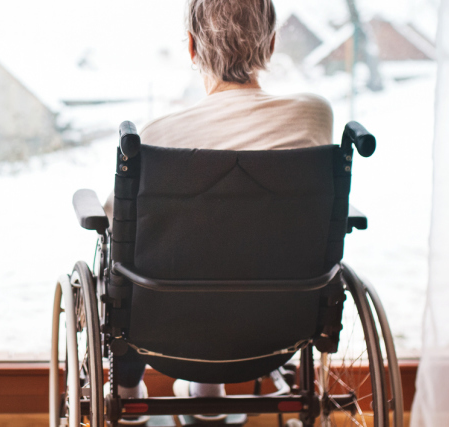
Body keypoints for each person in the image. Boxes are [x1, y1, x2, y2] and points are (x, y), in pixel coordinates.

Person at [107, 0, 332, 424]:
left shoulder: (158, 137)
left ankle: (128, 391)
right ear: (270, 44)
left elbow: (116, 221)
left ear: (192, 47)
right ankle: (208, 388)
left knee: (121, 259)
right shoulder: (313, 116)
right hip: (278, 326)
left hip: (170, 329)